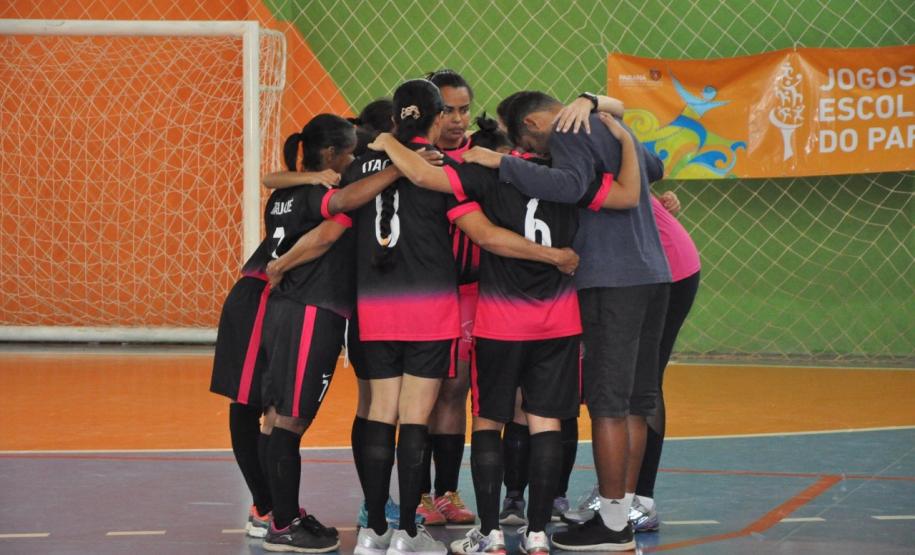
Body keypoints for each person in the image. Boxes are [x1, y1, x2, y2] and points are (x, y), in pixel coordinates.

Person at [371, 111, 640, 555]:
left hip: (501, 321)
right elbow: (630, 194)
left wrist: (387, 140)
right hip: (558, 321)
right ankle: (537, 536)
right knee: (545, 421)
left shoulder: (483, 173)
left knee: (489, 420)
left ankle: (491, 534)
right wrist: (624, 136)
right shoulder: (570, 178)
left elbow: (424, 178)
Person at [464, 92, 671, 552]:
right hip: (653, 275)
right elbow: (654, 167)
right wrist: (612, 113)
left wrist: (502, 165)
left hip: (611, 279)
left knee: (609, 405)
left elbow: (572, 186)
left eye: (527, 143)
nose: (536, 154)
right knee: (637, 400)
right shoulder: (604, 125)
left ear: (537, 123)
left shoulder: (568, 130)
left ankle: (614, 525)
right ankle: (626, 509)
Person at [257, 113, 435, 552]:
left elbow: (271, 178)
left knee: (277, 415)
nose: (357, 159)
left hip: (287, 308)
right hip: (311, 310)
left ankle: (279, 513)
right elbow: (327, 229)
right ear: (334, 155)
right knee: (290, 420)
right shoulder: (325, 192)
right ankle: (282, 523)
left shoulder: (286, 189)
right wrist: (402, 166)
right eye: (352, 152)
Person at [208, 162, 344, 540]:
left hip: (271, 298)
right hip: (260, 293)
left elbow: (271, 178)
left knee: (265, 406)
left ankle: (271, 506)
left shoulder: (314, 190)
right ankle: (266, 507)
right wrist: (312, 176)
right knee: (250, 403)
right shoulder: (323, 191)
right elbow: (270, 177)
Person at [416, 69, 479, 527]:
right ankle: (415, 493)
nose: (456, 119)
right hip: (421, 296)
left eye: (463, 110)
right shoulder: (412, 160)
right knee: (418, 396)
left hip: (473, 294)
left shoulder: (486, 159)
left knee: (456, 390)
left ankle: (447, 493)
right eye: (446, 110)